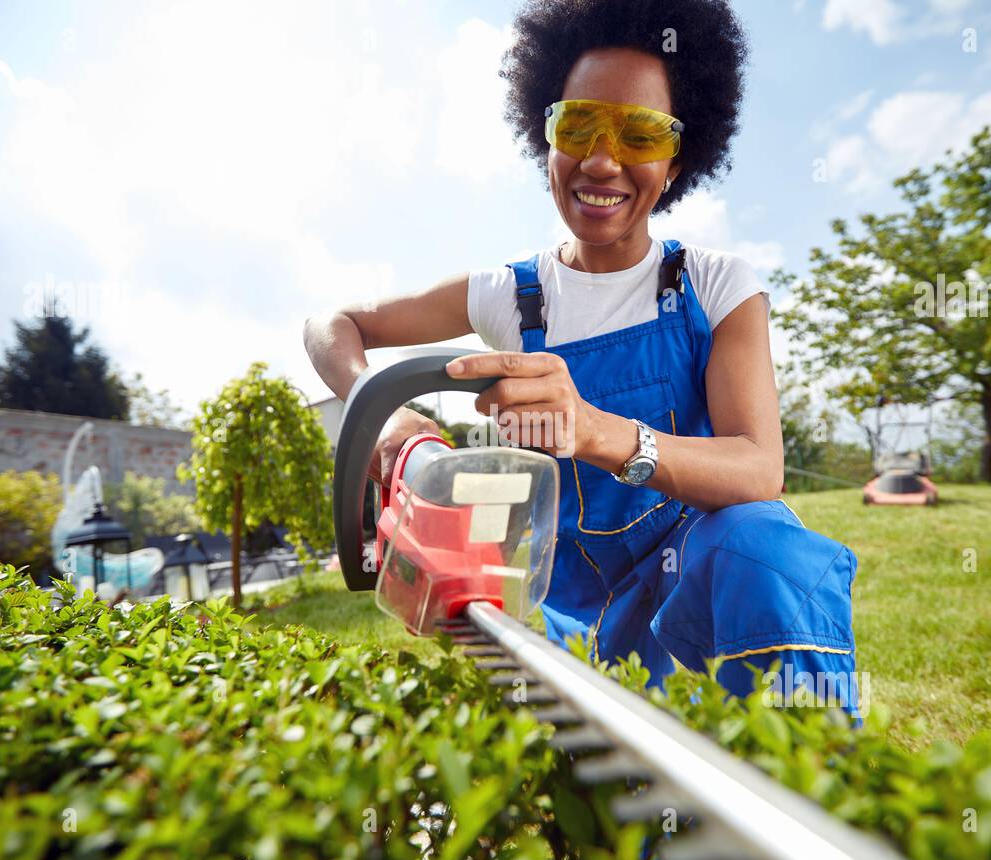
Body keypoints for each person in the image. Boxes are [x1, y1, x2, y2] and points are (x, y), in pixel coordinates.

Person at [305, 0, 860, 717]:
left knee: (765, 547)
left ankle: (809, 775)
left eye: (640, 134)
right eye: (578, 126)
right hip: (583, 624)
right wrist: (378, 411)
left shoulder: (716, 285)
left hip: (705, 596)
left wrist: (597, 432)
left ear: (677, 158)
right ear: (545, 134)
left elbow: (758, 468)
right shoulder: (509, 295)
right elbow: (332, 323)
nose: (602, 160)